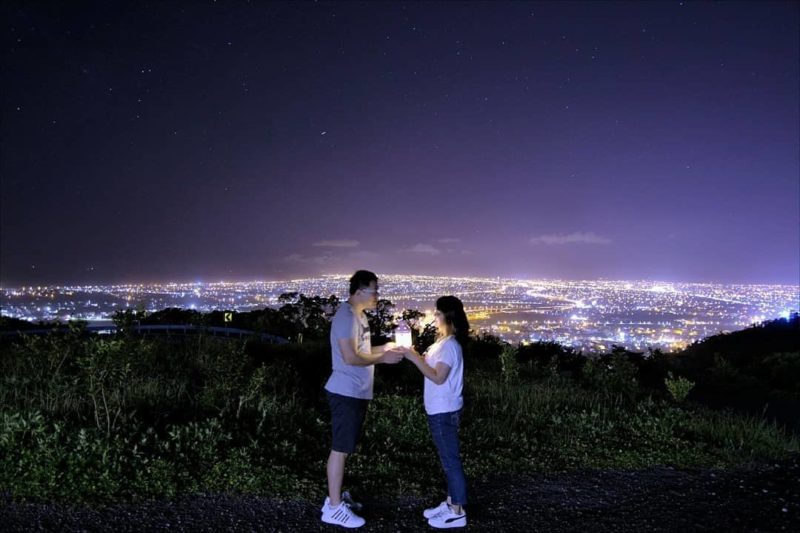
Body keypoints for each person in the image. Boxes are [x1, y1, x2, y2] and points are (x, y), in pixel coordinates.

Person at [321, 270, 404, 528]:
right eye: (374, 290)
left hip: (355, 392)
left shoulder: (359, 315)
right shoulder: (347, 317)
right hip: (345, 392)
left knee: (345, 448)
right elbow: (350, 357)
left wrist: (388, 347)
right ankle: (333, 507)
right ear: (359, 291)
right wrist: (383, 358)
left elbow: (362, 351)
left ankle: (335, 499)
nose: (377, 295)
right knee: (340, 449)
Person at [401, 295, 469, 529]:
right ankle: (451, 502)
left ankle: (457, 511)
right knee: (448, 459)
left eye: (438, 313)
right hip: (441, 409)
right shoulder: (444, 342)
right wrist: (417, 356)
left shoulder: (450, 346)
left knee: (450, 461)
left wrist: (413, 358)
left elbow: (438, 377)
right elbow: (432, 368)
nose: (435, 316)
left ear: (449, 317)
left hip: (444, 411)